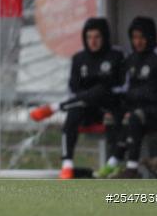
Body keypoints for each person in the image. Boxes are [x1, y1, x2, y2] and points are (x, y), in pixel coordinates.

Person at [28, 17, 125, 179]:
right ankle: (67, 166)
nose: (92, 42)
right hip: (86, 109)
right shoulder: (79, 59)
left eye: (97, 37)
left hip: (110, 107)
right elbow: (73, 88)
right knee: (74, 111)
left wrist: (100, 91)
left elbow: (123, 87)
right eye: (89, 37)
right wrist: (88, 95)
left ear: (105, 37)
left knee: (101, 89)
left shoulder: (117, 55)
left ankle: (55, 107)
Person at [107, 17, 157, 178]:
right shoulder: (130, 59)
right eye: (134, 37)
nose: (138, 42)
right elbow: (125, 88)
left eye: (142, 37)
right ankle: (130, 168)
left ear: (150, 36)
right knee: (128, 117)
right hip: (139, 110)